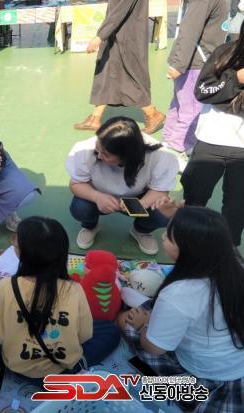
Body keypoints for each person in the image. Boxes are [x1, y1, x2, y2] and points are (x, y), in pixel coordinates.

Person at [117, 207, 244, 413]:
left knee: (124, 320)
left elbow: (155, 348)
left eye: (169, 236)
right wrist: (180, 214)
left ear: (188, 250)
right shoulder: (235, 265)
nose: (162, 236)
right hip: (236, 363)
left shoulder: (178, 294)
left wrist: (142, 326)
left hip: (205, 376)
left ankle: (172, 392)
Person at [0, 217, 120, 379]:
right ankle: (75, 370)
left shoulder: (5, 286)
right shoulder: (75, 289)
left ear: (22, 253)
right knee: (110, 330)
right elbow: (85, 335)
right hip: (61, 369)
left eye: (16, 240)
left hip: (18, 368)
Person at [66, 117, 178, 255]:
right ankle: (90, 226)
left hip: (139, 196)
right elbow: (75, 184)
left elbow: (160, 190)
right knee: (80, 208)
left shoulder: (159, 156)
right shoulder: (85, 149)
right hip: (98, 193)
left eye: (106, 154)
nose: (99, 156)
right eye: (97, 149)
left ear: (127, 156)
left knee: (162, 213)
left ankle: (141, 231)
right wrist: (97, 197)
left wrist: (139, 205)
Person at [180, 23, 244, 246]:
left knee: (237, 205)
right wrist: (236, 79)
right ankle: (186, 240)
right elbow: (203, 91)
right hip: (210, 141)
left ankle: (228, 248)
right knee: (195, 195)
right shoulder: (224, 53)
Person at [74, 0, 165, 135]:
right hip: (117, 35)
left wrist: (99, 37)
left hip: (127, 36)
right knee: (106, 73)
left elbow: (119, 10)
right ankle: (95, 118)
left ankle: (153, 115)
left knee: (130, 77)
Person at [162, 0, 228, 171]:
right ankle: (177, 148)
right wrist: (179, 64)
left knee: (179, 106)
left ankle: (169, 141)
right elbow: (189, 29)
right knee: (192, 110)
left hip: (196, 61)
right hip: (196, 63)